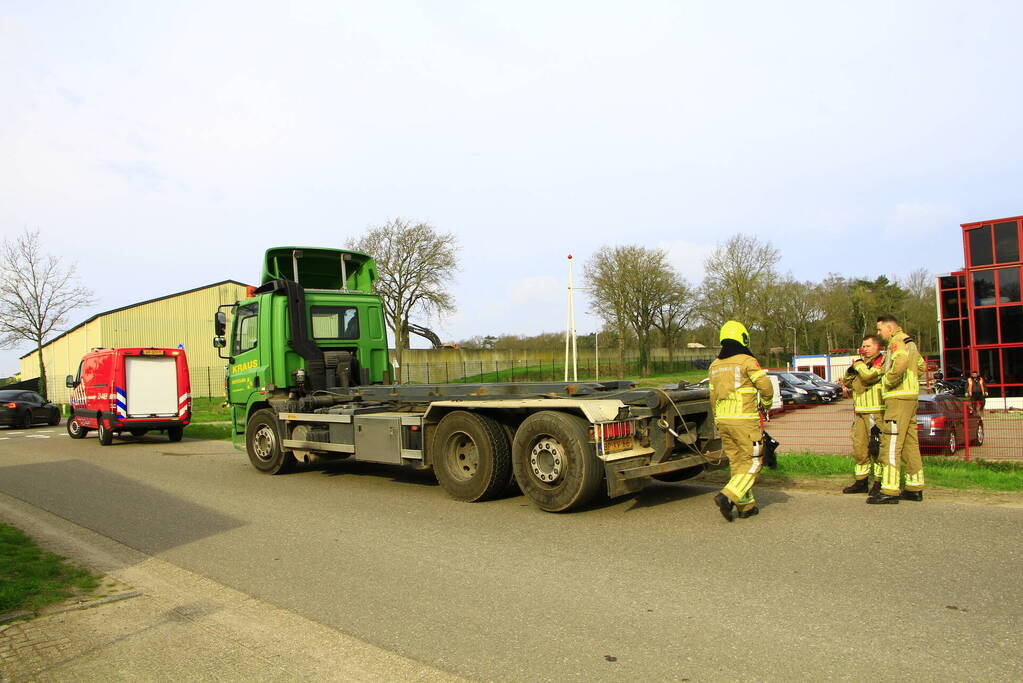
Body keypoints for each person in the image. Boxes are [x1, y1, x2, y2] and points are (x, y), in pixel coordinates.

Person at [708, 320, 774, 521]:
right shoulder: (747, 361)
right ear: (743, 337)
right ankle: (727, 495)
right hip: (744, 421)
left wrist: (718, 418)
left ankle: (746, 507)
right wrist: (768, 403)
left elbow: (712, 396)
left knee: (737, 463)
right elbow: (765, 386)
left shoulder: (714, 365)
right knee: (754, 462)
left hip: (724, 421)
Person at [869, 315, 925, 504]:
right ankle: (914, 487)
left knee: (891, 443)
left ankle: (890, 490)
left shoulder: (896, 341)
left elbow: (900, 364)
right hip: (911, 397)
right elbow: (921, 366)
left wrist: (888, 380)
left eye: (879, 329)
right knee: (910, 443)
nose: (879, 333)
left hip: (897, 398)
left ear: (890, 328)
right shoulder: (911, 342)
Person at [840, 335, 885, 495]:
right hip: (859, 411)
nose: (864, 349)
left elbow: (869, 376)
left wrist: (857, 366)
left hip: (875, 411)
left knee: (876, 448)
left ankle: (879, 483)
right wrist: (854, 368)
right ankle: (861, 481)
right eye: (863, 346)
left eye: (867, 346)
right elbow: (847, 380)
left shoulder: (882, 362)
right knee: (859, 447)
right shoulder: (861, 364)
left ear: (877, 347)